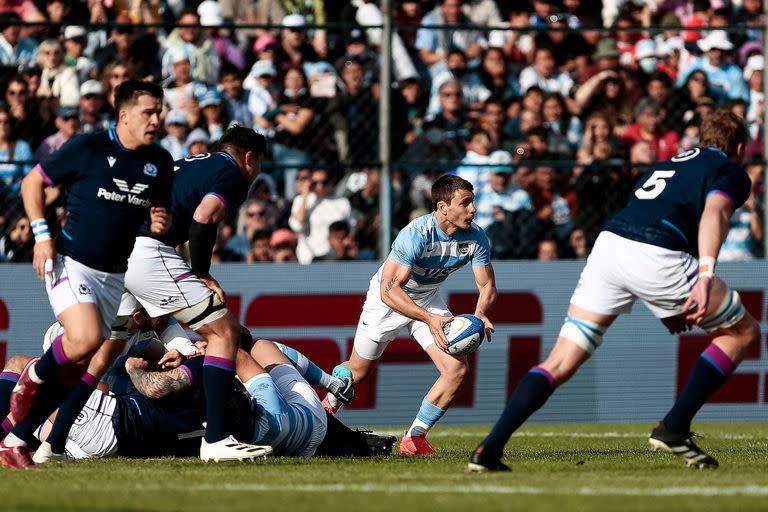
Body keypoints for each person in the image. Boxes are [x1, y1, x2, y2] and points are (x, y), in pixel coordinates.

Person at [469, 110, 762, 472]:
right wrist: (704, 275)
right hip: (658, 251)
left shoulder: (666, 164)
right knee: (743, 332)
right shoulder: (730, 170)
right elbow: (714, 213)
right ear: (738, 147)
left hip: (609, 247)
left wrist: (667, 305)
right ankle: (675, 426)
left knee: (559, 361)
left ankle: (489, 449)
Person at [1, 80, 174, 469]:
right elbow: (32, 182)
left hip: (115, 275)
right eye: (149, 111)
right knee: (87, 339)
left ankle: (15, 438)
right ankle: (33, 376)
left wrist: (159, 222)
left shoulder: (160, 162)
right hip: (70, 261)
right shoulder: (89, 147)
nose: (157, 118)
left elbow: (159, 211)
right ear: (124, 115)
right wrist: (42, 236)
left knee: (79, 368)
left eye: (161, 110)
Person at [112, 126, 272, 462]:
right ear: (248, 158)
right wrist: (201, 272)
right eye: (258, 165)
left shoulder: (191, 163)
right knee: (224, 331)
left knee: (102, 347)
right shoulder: (232, 172)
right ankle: (215, 439)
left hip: (117, 248)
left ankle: (39, 437)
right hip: (145, 250)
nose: (256, 173)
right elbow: (204, 217)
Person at [324, 175, 496, 455]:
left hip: (428, 297)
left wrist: (480, 314)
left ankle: (414, 437)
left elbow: (487, 285)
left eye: (473, 202)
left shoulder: (476, 237)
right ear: (442, 208)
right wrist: (428, 319)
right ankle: (330, 403)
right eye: (465, 203)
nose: (473, 209)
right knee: (358, 372)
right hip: (388, 300)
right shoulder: (416, 233)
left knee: (456, 369)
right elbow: (389, 290)